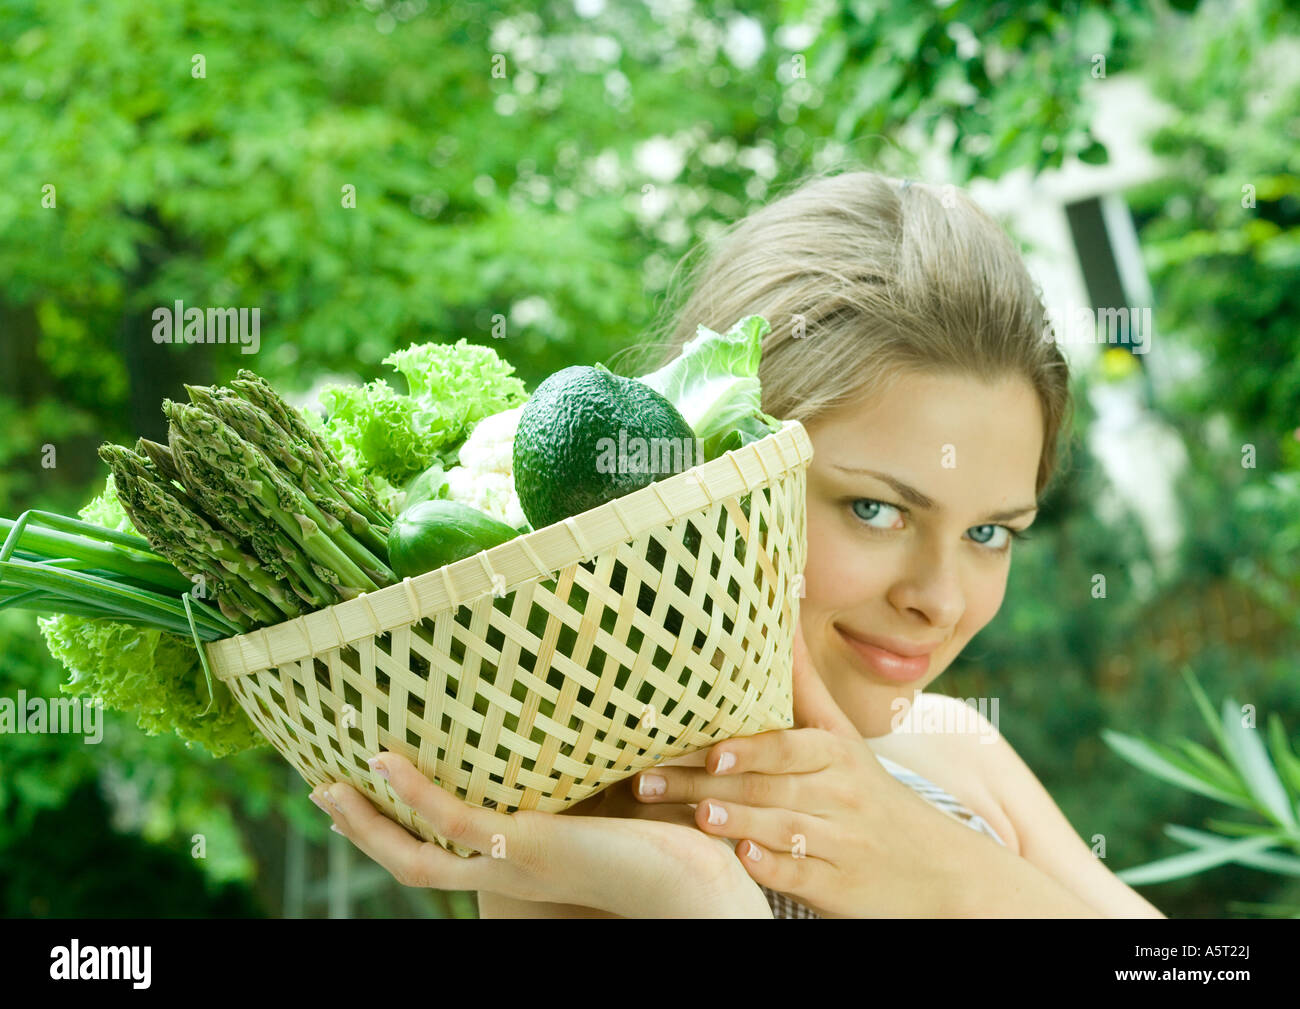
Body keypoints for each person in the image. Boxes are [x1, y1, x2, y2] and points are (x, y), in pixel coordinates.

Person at [308, 169, 1165, 918]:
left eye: (989, 532)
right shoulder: (588, 838)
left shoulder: (952, 745)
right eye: (876, 510)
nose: (940, 599)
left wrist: (950, 872)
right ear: (711, 480)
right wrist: (703, 900)